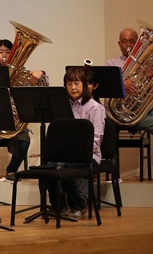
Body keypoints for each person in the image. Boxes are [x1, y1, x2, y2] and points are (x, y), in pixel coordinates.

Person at [106, 28, 153, 183]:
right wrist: (122, 84)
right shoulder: (111, 64)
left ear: (138, 44)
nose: (128, 44)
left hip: (140, 113)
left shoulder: (148, 64)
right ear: (119, 44)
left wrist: (151, 79)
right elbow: (105, 88)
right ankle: (99, 166)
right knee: (99, 124)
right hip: (116, 114)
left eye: (132, 41)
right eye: (124, 41)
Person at [43, 67, 106, 220]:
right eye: (69, 84)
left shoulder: (95, 107)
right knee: (48, 165)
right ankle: (58, 206)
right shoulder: (65, 106)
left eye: (77, 83)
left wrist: (76, 152)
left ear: (84, 84)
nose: (73, 87)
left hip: (89, 156)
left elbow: (96, 138)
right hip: (67, 155)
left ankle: (78, 206)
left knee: (61, 166)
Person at [0, 38, 48, 181]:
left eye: (8, 52)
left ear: (13, 54)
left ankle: (11, 170)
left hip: (13, 124)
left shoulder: (21, 73)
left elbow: (42, 87)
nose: (4, 55)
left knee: (24, 142)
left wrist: (41, 73)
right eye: (0, 52)